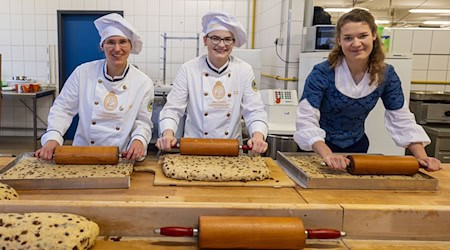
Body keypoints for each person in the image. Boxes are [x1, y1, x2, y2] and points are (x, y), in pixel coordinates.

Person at [294, 8, 441, 171]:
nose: (356, 44)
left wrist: (422, 157)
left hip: (357, 150)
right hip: (317, 149)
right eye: (348, 38)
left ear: (373, 35)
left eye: (362, 36)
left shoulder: (386, 74)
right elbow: (306, 119)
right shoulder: (322, 73)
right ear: (339, 41)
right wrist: (328, 155)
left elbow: (401, 118)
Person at [35, 13, 154, 161]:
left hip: (121, 157)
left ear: (131, 46)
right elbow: (63, 109)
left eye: (123, 42)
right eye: (110, 42)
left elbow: (142, 121)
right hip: (82, 154)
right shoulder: (82, 73)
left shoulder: (143, 82)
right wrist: (53, 137)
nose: (117, 48)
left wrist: (139, 140)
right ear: (102, 46)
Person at [156, 11, 268, 154]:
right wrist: (168, 133)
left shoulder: (244, 70)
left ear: (233, 43)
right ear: (205, 40)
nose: (221, 45)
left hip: (231, 150)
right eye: (215, 38)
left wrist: (258, 136)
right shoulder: (188, 69)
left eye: (228, 39)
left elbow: (254, 110)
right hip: (194, 149)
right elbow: (173, 108)